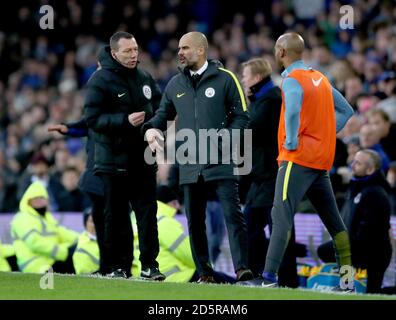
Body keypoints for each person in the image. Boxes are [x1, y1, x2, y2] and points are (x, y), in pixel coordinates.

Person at [143, 32, 253, 283]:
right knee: (195, 221)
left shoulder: (226, 79)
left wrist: (224, 139)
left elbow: (242, 116)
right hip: (189, 162)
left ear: (201, 50)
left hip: (221, 160)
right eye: (179, 48)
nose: (179, 52)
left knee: (232, 215)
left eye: (185, 48)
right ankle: (205, 272)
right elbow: (163, 115)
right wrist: (150, 128)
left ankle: (242, 269)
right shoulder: (174, 84)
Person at [261, 32, 354, 290]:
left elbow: (291, 110)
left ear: (281, 51)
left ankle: (268, 279)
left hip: (296, 159)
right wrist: (324, 135)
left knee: (280, 216)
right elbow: (347, 111)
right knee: (335, 223)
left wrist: (291, 140)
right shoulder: (321, 79)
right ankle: (347, 283)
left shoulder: (291, 79)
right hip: (320, 164)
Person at [83, 31, 164, 280]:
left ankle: (150, 266)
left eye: (136, 49)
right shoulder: (100, 80)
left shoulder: (145, 77)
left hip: (143, 160)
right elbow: (92, 119)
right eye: (128, 51)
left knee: (147, 214)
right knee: (116, 216)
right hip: (113, 161)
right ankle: (120, 267)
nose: (133, 55)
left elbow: (161, 109)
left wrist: (153, 128)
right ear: (114, 52)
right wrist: (123, 121)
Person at [240, 57, 299, 287]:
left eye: (245, 77)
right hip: (261, 177)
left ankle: (287, 282)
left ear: (256, 77)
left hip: (274, 176)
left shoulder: (272, 99)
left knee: (277, 230)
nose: (243, 81)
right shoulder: (262, 99)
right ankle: (259, 276)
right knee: (251, 228)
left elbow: (250, 129)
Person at [317, 149, 393, 294]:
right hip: (353, 247)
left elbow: (369, 231)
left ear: (370, 169)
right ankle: (346, 284)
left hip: (374, 253)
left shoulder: (376, 193)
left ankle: (348, 283)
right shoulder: (356, 188)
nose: (352, 165)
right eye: (353, 161)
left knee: (372, 293)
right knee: (327, 252)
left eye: (358, 163)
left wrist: (347, 244)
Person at [132, 185, 236, 283]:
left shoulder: (137, 221)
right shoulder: (164, 223)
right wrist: (207, 267)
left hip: (146, 276)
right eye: (174, 203)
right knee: (226, 280)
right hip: (175, 276)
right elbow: (190, 254)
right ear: (163, 203)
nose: (178, 206)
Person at [10, 181, 79, 274]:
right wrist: (63, 251)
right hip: (36, 266)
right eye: (35, 198)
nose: (40, 201)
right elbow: (34, 242)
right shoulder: (22, 218)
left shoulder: (46, 218)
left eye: (42, 197)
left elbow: (63, 233)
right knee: (75, 257)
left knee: (80, 250)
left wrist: (84, 240)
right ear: (28, 201)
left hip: (50, 260)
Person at [72, 207, 100, 275]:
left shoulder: (110, 241)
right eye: (91, 221)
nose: (94, 225)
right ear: (85, 223)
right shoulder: (78, 241)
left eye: (97, 220)